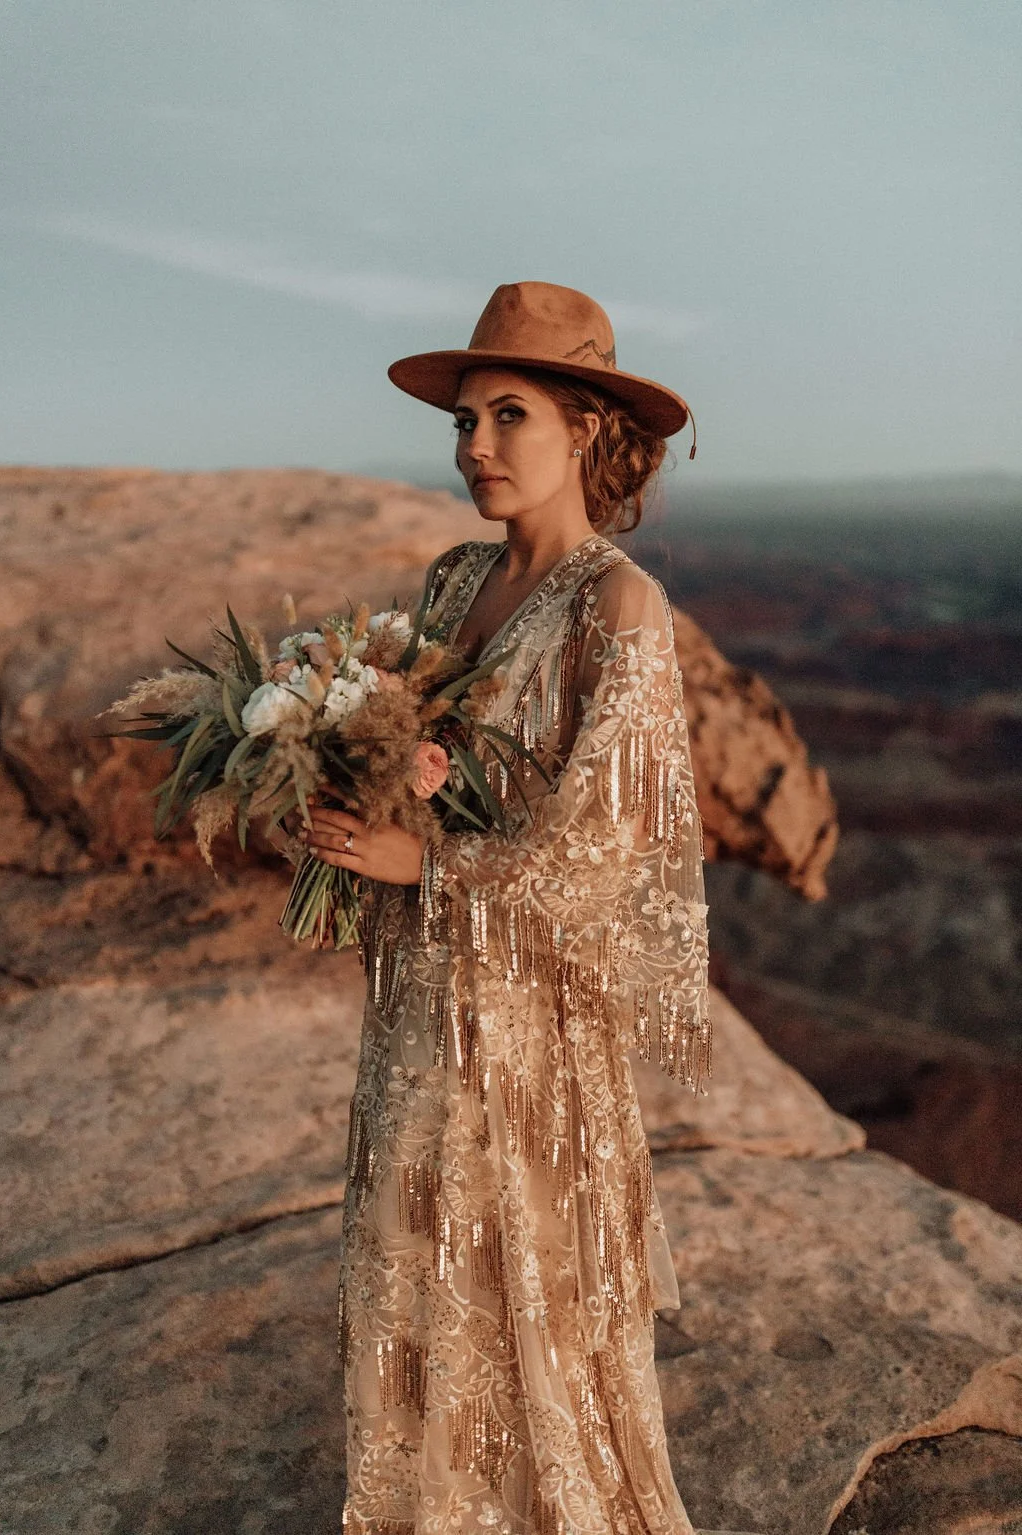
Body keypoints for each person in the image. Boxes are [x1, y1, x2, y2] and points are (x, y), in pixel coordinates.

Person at [307, 281, 712, 1534]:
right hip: (422, 1008)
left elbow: (607, 852)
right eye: (464, 420)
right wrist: (330, 790)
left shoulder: (616, 605)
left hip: (534, 1032)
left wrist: (420, 866)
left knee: (522, 1300)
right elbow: (410, 765)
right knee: (410, 1273)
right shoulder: (446, 584)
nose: (475, 445)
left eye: (509, 414)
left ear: (587, 427)